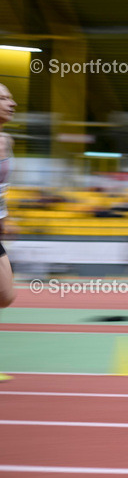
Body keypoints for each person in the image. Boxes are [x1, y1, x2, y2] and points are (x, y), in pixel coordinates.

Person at [0, 83, 16, 309]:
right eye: (4, 99)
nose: (12, 104)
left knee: (5, 296)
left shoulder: (6, 141)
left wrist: (4, 216)